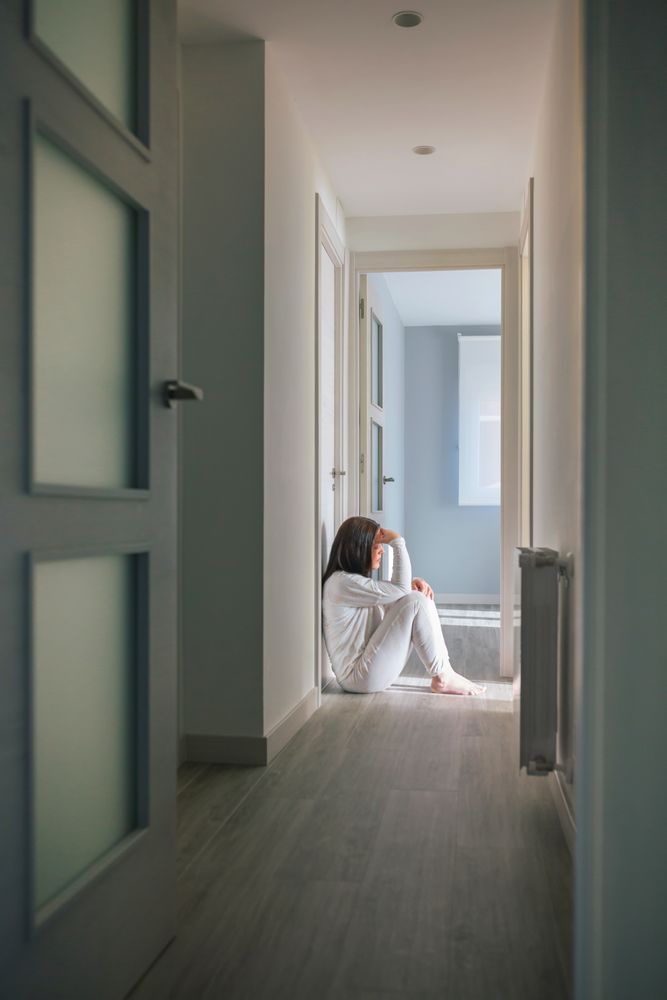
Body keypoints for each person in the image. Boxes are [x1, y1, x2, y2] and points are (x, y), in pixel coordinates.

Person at [322, 515, 486, 696]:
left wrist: (411, 584)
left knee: (419, 595)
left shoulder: (350, 583)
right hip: (357, 677)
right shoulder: (341, 583)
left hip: (365, 672)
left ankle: (445, 671)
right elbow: (399, 589)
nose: (382, 551)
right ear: (359, 548)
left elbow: (395, 592)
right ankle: (443, 677)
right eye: (376, 546)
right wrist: (397, 542)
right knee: (415, 601)